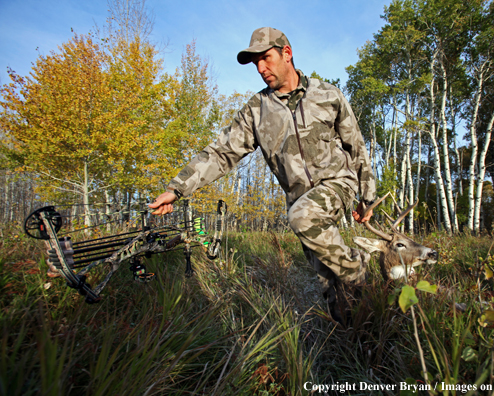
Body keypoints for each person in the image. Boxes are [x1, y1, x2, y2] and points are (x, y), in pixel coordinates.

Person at [149, 27, 377, 323]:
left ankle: (359, 272)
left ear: (287, 53)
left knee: (305, 221)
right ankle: (364, 331)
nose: (260, 68)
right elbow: (221, 153)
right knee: (330, 287)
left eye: (265, 58)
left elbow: (355, 145)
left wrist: (368, 198)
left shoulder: (328, 95)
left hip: (337, 185)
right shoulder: (256, 110)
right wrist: (177, 188)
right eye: (255, 62)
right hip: (299, 200)